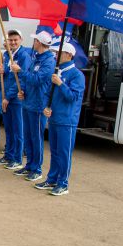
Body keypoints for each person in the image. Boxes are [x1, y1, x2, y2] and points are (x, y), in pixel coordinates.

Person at [35, 42, 85, 196]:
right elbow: (47, 93)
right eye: (55, 53)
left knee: (64, 153)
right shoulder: (57, 72)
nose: (56, 56)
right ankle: (52, 179)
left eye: (59, 53)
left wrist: (61, 84)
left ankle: (63, 183)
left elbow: (73, 97)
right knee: (55, 151)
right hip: (55, 118)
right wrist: (45, 107)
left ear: (69, 55)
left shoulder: (77, 75)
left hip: (67, 120)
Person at [14, 31, 55, 181]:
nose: (33, 42)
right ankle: (29, 165)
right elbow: (29, 80)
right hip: (28, 102)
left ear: (40, 42)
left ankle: (37, 169)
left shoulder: (49, 61)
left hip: (39, 105)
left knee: (36, 138)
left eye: (35, 40)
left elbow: (38, 80)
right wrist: (22, 90)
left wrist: (20, 72)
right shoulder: (35, 58)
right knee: (28, 136)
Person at [0, 29, 32, 170]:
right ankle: (8, 155)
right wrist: (2, 72)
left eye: (15, 40)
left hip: (15, 99)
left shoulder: (24, 56)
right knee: (9, 129)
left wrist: (8, 97)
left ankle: (17, 159)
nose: (12, 42)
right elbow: (7, 76)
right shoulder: (6, 54)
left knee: (18, 130)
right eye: (10, 40)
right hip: (6, 97)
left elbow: (22, 80)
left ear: (21, 40)